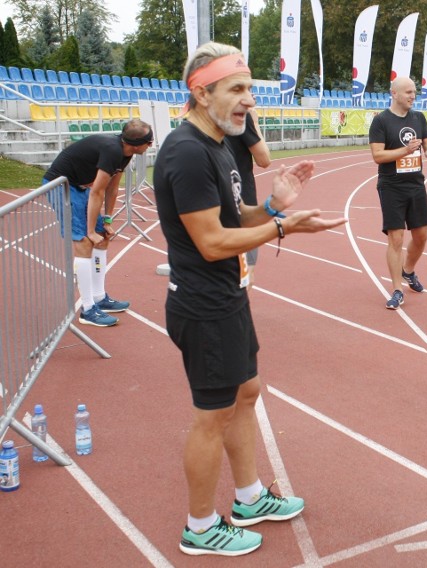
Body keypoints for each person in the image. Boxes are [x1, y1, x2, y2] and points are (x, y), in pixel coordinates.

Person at [153, 42, 346, 557]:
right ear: (201, 92)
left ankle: (249, 497)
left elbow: (233, 219)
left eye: (251, 90)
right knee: (211, 416)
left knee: (247, 393)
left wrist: (272, 206)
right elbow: (211, 241)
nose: (248, 101)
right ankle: (199, 528)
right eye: (237, 90)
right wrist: (284, 227)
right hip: (204, 304)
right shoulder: (187, 151)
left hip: (228, 295)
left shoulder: (218, 144)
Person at [43, 118, 152, 327]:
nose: (152, 144)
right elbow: (97, 191)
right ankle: (87, 308)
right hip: (62, 186)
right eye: (149, 141)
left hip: (80, 187)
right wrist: (91, 230)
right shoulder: (112, 151)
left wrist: (108, 220)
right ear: (137, 144)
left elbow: (112, 188)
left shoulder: (125, 152)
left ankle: (100, 297)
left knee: (102, 239)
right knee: (85, 242)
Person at [369, 76, 427, 310]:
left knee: (422, 235)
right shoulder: (381, 121)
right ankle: (396, 289)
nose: (413, 96)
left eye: (414, 92)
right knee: (396, 238)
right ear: (394, 94)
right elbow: (378, 156)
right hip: (391, 186)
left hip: (416, 185)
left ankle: (408, 270)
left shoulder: (418, 118)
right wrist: (405, 150)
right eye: (408, 92)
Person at [225, 106, 271, 289]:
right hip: (241, 195)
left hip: (211, 197)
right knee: (245, 264)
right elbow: (264, 160)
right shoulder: (241, 117)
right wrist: (256, 123)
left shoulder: (200, 119)